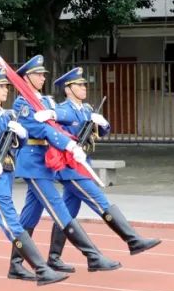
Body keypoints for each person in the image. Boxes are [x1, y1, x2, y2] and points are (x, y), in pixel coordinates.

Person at [7, 56, 120, 279]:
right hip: (32, 163)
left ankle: (16, 264)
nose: (42, 77)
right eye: (38, 74)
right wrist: (67, 143)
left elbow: (60, 121)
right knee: (59, 208)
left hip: (46, 162)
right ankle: (93, 256)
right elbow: (42, 131)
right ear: (26, 78)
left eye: (43, 74)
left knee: (29, 217)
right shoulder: (22, 102)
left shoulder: (47, 102)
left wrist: (66, 129)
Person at [0, 68, 67, 288]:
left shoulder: (7, 115)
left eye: (6, 86)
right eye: (0, 86)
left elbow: (19, 144)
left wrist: (22, 134)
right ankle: (42, 269)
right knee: (12, 223)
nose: (5, 90)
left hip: (4, 177)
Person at [47, 67, 161, 269]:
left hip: (83, 166)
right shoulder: (64, 109)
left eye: (84, 84)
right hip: (70, 168)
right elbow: (52, 119)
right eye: (79, 85)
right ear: (68, 89)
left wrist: (103, 124)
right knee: (101, 202)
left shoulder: (86, 109)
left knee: (66, 213)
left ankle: (54, 258)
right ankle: (132, 240)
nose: (84, 88)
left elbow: (102, 130)